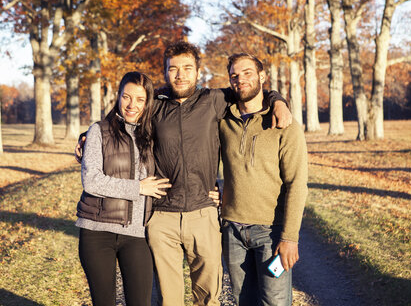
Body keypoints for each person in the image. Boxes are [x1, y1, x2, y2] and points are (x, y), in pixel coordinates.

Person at [76, 41, 293, 305]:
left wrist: (278, 100)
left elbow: (250, 91)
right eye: (173, 69)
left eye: (187, 68)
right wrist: (87, 135)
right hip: (161, 218)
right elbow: (122, 118)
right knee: (169, 300)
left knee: (208, 298)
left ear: (198, 71)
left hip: (203, 216)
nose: (181, 74)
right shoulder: (154, 104)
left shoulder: (214, 100)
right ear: (165, 72)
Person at [218, 53, 308, 306]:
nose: (240, 79)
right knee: (242, 300)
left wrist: (290, 237)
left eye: (247, 73)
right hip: (233, 230)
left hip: (271, 232)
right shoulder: (224, 121)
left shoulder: (284, 124)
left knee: (274, 302)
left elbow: (297, 184)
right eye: (234, 75)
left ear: (262, 76)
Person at [76, 71, 171, 306]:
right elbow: (92, 180)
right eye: (127, 97)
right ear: (118, 96)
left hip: (136, 235)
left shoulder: (150, 135)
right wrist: (138, 188)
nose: (132, 105)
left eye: (140, 99)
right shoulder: (98, 131)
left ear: (148, 102)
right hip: (96, 232)